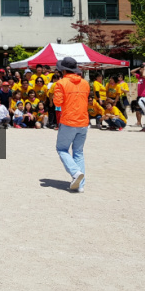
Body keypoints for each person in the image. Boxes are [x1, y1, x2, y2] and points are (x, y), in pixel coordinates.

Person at [52, 56, 91, 193]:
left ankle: (75, 173)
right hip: (83, 121)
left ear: (63, 70)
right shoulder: (85, 83)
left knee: (62, 149)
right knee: (78, 152)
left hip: (68, 121)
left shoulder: (61, 83)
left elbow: (57, 103)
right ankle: (81, 185)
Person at [130, 63, 145, 128]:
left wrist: (144, 69)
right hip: (140, 96)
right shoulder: (139, 76)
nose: (141, 70)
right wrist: (139, 68)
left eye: (143, 68)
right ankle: (138, 123)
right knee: (137, 109)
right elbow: (131, 72)